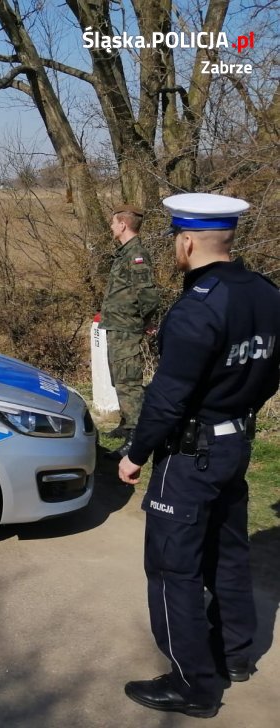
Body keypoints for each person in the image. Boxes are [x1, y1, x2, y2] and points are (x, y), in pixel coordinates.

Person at [118, 193, 280, 718]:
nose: (172, 248)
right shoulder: (266, 293)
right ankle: (235, 654)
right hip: (236, 444)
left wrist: (135, 452)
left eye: (173, 241)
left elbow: (168, 398)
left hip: (192, 454)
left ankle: (193, 684)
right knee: (227, 552)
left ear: (186, 241)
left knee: (173, 568)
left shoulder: (197, 308)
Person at [100, 203, 162, 459]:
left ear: (123, 224)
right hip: (117, 325)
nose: (112, 227)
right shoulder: (124, 253)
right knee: (119, 377)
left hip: (127, 327)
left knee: (129, 381)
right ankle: (126, 423)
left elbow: (147, 293)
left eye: (114, 223)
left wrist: (145, 321)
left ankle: (136, 437)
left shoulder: (136, 254)